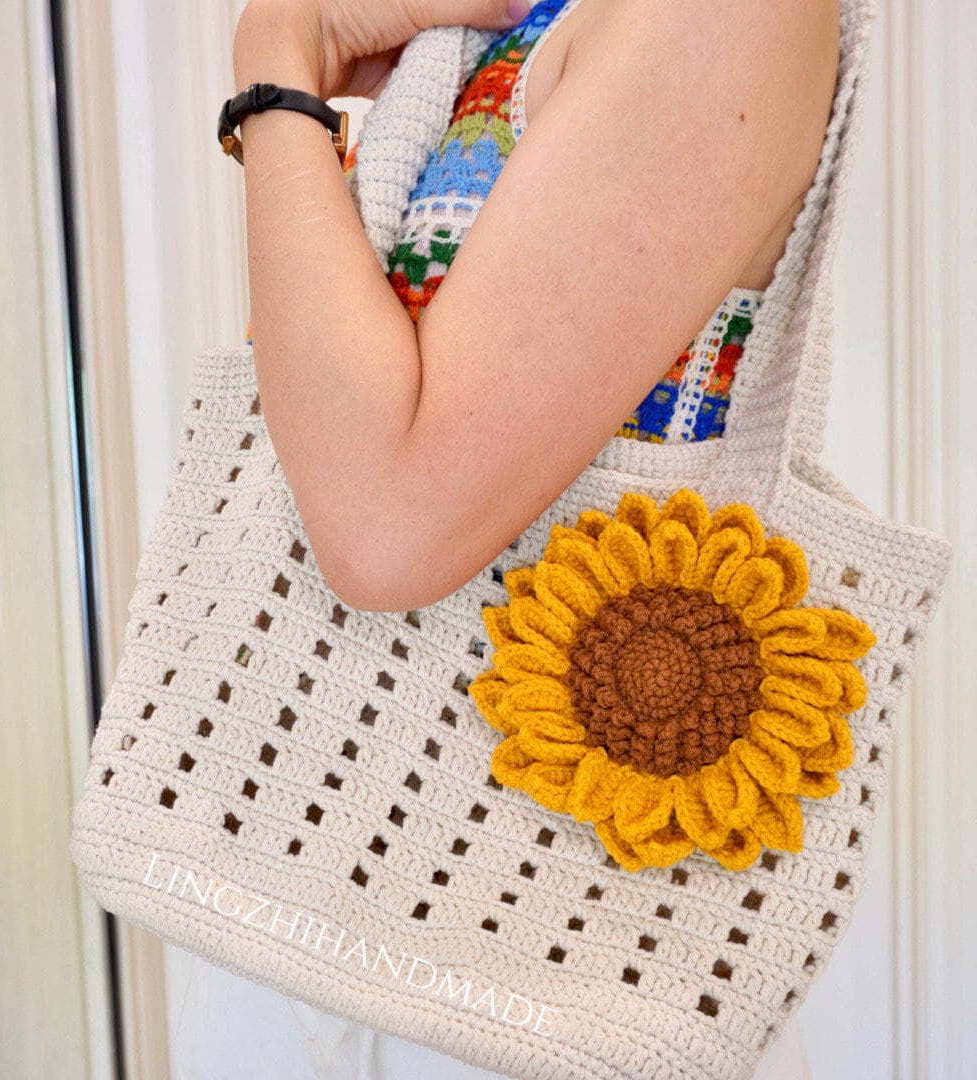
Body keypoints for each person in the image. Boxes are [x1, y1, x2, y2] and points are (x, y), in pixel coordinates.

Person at [174, 0, 840, 1074]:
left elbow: (384, 531)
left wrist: (274, 64)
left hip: (528, 935)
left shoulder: (718, 16)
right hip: (322, 844)